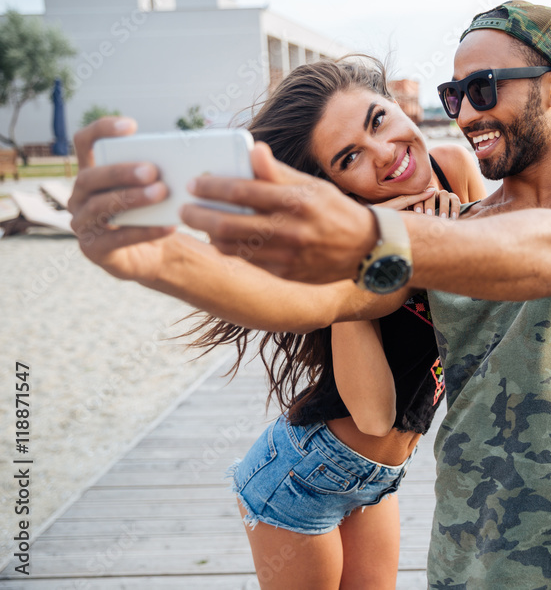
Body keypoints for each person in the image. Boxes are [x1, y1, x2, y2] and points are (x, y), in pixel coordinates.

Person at [69, 1, 551, 588]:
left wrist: (373, 231)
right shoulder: (451, 233)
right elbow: (323, 304)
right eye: (454, 96)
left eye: (484, 89)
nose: (467, 114)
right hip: (463, 567)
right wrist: (164, 261)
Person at [74, 57, 486, 590]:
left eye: (378, 120)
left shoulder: (454, 165)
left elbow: (483, 313)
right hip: (302, 479)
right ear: (334, 191)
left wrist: (444, 240)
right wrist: (366, 253)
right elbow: (376, 415)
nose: (386, 154)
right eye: (349, 157)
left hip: (378, 480)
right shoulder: (347, 261)